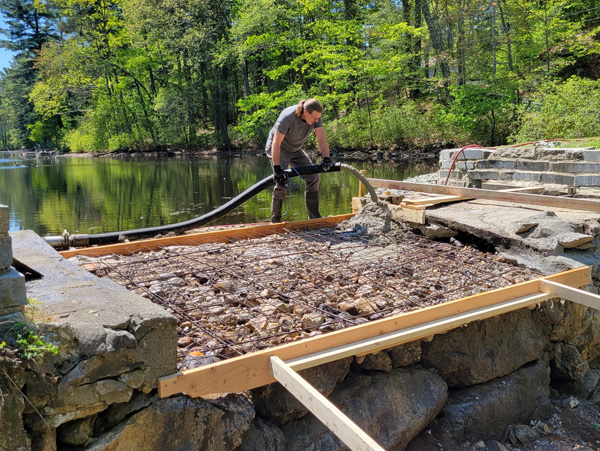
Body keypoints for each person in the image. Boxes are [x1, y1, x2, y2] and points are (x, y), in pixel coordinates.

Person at [265, 98, 333, 223]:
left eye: (318, 118)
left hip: (295, 149)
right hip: (279, 149)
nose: (316, 121)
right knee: (282, 181)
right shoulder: (287, 117)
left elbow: (321, 137)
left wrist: (326, 158)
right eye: (315, 119)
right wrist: (277, 168)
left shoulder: (315, 116)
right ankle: (276, 219)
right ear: (305, 112)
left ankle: (314, 216)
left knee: (313, 177)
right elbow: (276, 143)